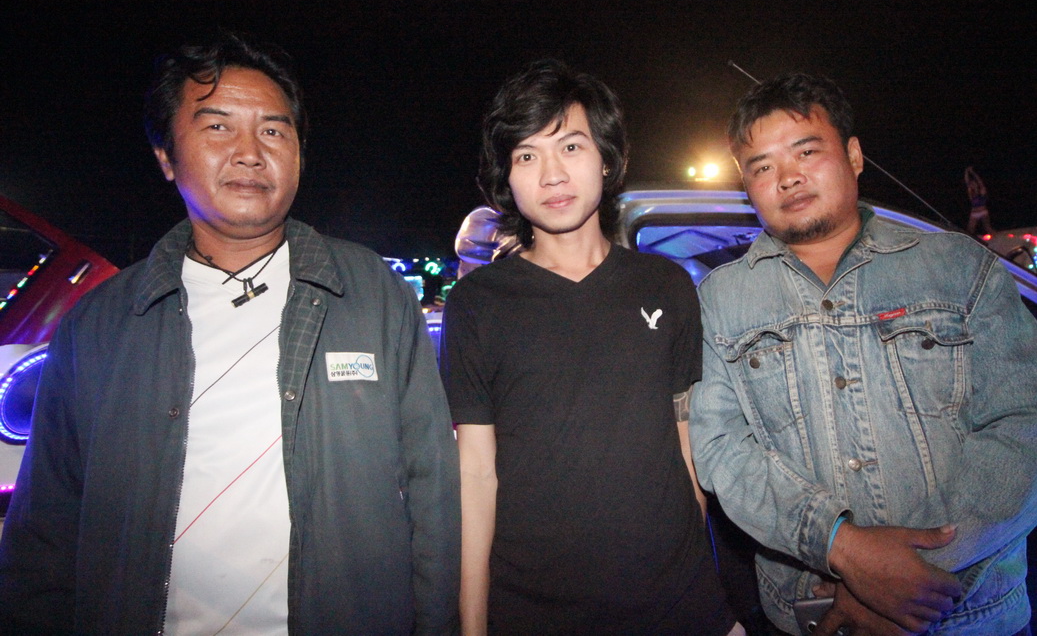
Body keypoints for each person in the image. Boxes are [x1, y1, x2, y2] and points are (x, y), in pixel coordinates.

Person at [0, 33, 460, 634]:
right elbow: (47, 525)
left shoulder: (373, 294)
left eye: (273, 130)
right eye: (218, 127)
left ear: (299, 153)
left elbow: (431, 488)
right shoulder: (100, 325)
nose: (250, 152)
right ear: (166, 157)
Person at [691, 72, 1037, 635]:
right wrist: (842, 548)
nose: (788, 177)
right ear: (746, 184)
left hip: (972, 617)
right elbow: (723, 448)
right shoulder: (721, 300)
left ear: (853, 155)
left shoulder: (958, 268)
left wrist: (914, 573)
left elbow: (1023, 423)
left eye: (806, 151)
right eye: (762, 167)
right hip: (811, 615)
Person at [440, 59, 742, 635]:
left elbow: (687, 448)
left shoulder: (667, 286)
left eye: (571, 147)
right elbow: (475, 474)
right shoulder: (477, 303)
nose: (552, 175)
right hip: (533, 611)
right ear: (508, 178)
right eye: (527, 156)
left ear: (605, 158)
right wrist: (473, 626)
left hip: (678, 606)